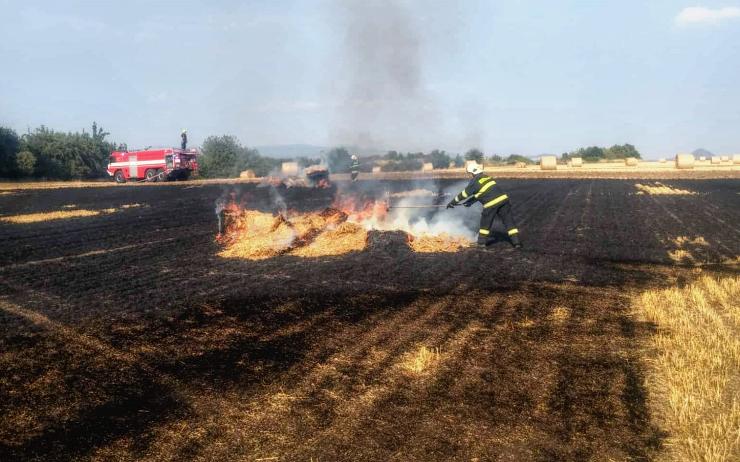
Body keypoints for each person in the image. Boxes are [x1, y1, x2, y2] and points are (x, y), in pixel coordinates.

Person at [447, 162, 522, 249]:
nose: (470, 175)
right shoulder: (487, 177)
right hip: (504, 200)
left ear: (472, 173)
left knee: (485, 223)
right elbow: (482, 193)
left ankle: (481, 243)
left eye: (470, 174)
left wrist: (452, 202)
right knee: (509, 222)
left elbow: (464, 194)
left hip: (491, 204)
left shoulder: (474, 181)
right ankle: (517, 243)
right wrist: (470, 202)